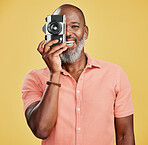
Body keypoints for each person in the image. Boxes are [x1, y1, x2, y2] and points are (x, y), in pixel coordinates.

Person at [22, 4, 135, 145]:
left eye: (74, 26)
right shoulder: (35, 78)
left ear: (85, 32)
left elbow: (125, 135)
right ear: (50, 31)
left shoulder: (115, 75)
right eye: (60, 27)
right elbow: (41, 130)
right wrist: (55, 73)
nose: (68, 33)